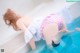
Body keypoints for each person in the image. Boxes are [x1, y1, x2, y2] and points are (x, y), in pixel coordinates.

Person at [3, 9, 68, 50]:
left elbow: (28, 35)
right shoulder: (25, 17)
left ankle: (56, 38)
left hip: (46, 26)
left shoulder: (18, 22)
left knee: (50, 47)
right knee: (56, 42)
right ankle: (61, 32)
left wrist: (34, 49)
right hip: (53, 19)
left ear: (11, 22)